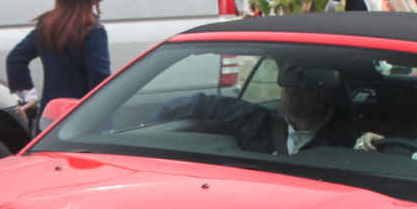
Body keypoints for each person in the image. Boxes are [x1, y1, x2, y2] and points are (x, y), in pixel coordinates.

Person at [143, 63, 357, 155]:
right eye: (287, 81)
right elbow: (201, 104)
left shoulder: (345, 140)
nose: (291, 87)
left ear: (323, 92)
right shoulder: (258, 121)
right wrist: (147, 130)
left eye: (303, 83)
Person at [6, 0, 110, 131]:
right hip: (82, 124)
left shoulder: (47, 24)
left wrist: (29, 95)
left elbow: (15, 59)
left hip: (49, 121)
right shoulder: (93, 31)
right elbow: (100, 87)